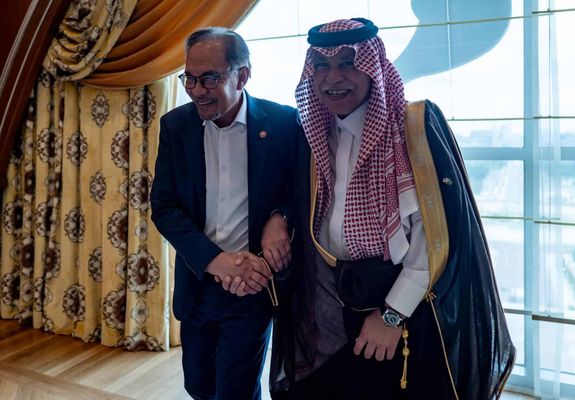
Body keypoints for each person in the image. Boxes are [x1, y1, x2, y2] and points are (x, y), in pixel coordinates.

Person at [269, 18, 516, 400]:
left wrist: (391, 315)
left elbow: (434, 238)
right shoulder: (313, 132)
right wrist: (277, 219)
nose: (333, 76)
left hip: (408, 306)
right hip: (336, 302)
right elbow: (293, 200)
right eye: (322, 65)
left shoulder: (412, 128)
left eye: (348, 62)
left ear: (373, 67)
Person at [150, 27, 299, 400]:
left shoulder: (283, 123)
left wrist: (279, 217)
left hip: (252, 285)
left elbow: (301, 192)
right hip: (199, 281)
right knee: (198, 386)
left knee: (235, 391)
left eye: (209, 78)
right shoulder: (175, 126)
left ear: (242, 75)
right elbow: (164, 208)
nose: (197, 90)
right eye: (189, 78)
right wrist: (215, 260)